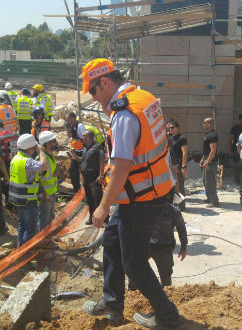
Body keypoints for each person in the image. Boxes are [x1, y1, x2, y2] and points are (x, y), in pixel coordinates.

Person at [80, 58, 180, 329]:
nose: (93, 97)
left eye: (93, 91)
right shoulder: (142, 96)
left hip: (142, 199)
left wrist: (102, 206)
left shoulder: (124, 114)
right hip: (148, 191)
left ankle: (168, 316)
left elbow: (123, 166)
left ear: (104, 82)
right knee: (111, 242)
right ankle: (113, 305)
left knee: (134, 263)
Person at [128, 203, 188, 290]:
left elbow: (181, 228)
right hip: (145, 245)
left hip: (164, 248)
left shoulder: (174, 211)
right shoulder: (143, 207)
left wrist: (183, 247)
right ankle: (132, 293)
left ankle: (166, 298)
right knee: (134, 270)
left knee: (166, 277)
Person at [9, 134, 47, 247]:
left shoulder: (15, 159)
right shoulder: (27, 162)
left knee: (22, 224)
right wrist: (41, 152)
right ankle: (25, 254)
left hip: (18, 199)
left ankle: (20, 248)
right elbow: (43, 166)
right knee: (31, 228)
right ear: (30, 147)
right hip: (28, 200)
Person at [69, 130, 105, 225]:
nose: (82, 138)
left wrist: (101, 175)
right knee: (89, 199)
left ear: (88, 138)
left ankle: (104, 219)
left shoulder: (97, 148)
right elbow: (83, 160)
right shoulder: (86, 149)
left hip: (94, 177)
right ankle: (91, 217)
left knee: (97, 198)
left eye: (84, 136)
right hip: (86, 178)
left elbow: (102, 161)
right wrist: (75, 157)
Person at [0, 119, 18, 207]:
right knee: (13, 180)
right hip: (15, 159)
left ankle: (9, 202)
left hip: (5, 161)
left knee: (6, 181)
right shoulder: (14, 133)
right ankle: (14, 200)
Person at [37, 131, 59, 229]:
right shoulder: (41, 159)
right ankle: (42, 240)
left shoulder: (51, 155)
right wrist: (45, 194)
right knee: (43, 219)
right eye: (53, 141)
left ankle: (48, 237)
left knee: (50, 217)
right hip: (45, 194)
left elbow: (50, 174)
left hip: (52, 191)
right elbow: (38, 180)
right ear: (47, 144)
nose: (56, 142)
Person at [167, 119, 187, 211]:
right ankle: (174, 204)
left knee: (180, 185)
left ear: (177, 128)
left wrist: (183, 166)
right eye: (169, 128)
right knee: (173, 186)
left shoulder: (181, 138)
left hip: (178, 165)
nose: (170, 129)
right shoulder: (170, 138)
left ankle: (181, 206)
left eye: (172, 127)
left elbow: (185, 152)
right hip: (171, 165)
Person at [201, 117, 220, 207]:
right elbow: (207, 150)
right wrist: (202, 159)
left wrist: (207, 162)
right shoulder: (207, 134)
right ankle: (209, 198)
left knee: (211, 182)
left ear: (210, 124)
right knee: (205, 181)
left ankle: (214, 202)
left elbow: (213, 151)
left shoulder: (212, 135)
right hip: (206, 159)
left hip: (211, 162)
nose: (203, 124)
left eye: (204, 122)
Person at [66, 112, 85, 192]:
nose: (68, 122)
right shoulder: (71, 126)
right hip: (76, 151)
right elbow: (69, 136)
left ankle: (86, 189)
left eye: (69, 120)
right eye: (67, 120)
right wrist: (68, 129)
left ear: (73, 118)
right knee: (73, 170)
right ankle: (76, 189)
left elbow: (85, 140)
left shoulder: (80, 127)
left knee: (84, 171)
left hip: (83, 152)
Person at [228, 114, 242, 184]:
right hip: (236, 150)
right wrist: (229, 150)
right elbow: (230, 139)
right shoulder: (235, 128)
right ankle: (237, 181)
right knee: (237, 166)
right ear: (240, 120)